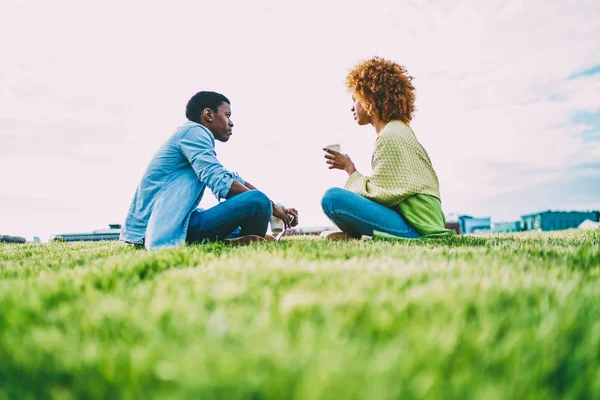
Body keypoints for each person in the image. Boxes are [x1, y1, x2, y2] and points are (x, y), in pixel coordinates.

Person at [120, 91, 298, 250]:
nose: (231, 123)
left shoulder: (191, 137)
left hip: (175, 222)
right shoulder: (194, 131)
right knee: (258, 201)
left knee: (258, 201)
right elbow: (222, 183)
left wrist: (276, 205)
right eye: (227, 115)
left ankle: (242, 239)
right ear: (208, 114)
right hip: (156, 229)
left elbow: (233, 179)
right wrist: (269, 206)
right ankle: (247, 242)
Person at [321, 57, 453, 240]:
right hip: (419, 221)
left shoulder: (389, 135)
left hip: (416, 228)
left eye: (355, 100)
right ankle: (363, 235)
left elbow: (380, 195)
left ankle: (366, 235)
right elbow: (389, 192)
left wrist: (350, 169)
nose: (352, 108)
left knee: (332, 199)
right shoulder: (400, 129)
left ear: (369, 98)